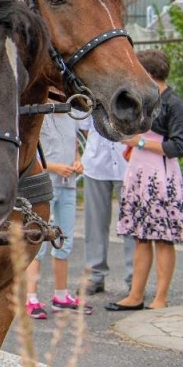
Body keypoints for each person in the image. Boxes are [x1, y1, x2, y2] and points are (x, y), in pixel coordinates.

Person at [109, 50, 183, 311]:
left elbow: (177, 146)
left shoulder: (174, 103)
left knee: (163, 239)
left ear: (150, 74)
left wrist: (139, 140)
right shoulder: (144, 100)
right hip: (138, 174)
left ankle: (160, 298)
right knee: (140, 237)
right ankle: (136, 295)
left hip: (161, 178)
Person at [23, 111, 86, 318]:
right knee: (38, 241)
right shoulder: (43, 117)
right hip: (46, 186)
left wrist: (78, 162)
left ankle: (61, 295)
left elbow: (74, 146)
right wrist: (55, 167)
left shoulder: (71, 115)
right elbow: (31, 154)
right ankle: (30, 298)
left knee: (64, 241)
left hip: (67, 186)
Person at [80, 121, 128, 295]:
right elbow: (84, 128)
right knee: (95, 226)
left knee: (131, 228)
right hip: (96, 165)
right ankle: (95, 276)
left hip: (128, 166)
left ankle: (135, 279)